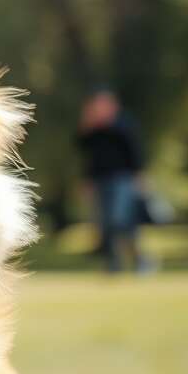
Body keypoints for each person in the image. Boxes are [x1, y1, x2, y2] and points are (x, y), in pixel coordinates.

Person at [76, 89, 153, 274]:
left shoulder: (123, 126)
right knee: (104, 223)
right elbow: (83, 151)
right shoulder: (94, 130)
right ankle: (113, 265)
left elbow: (135, 153)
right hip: (99, 180)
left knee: (120, 220)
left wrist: (140, 177)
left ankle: (140, 260)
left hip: (123, 180)